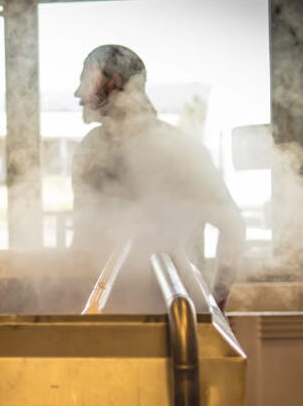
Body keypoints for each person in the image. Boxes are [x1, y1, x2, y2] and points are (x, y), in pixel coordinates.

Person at [71, 45, 245, 309]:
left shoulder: (175, 149)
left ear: (112, 84)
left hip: (167, 313)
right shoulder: (93, 150)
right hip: (159, 310)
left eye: (85, 80)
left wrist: (216, 303)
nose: (78, 93)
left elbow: (232, 227)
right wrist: (216, 303)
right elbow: (84, 237)